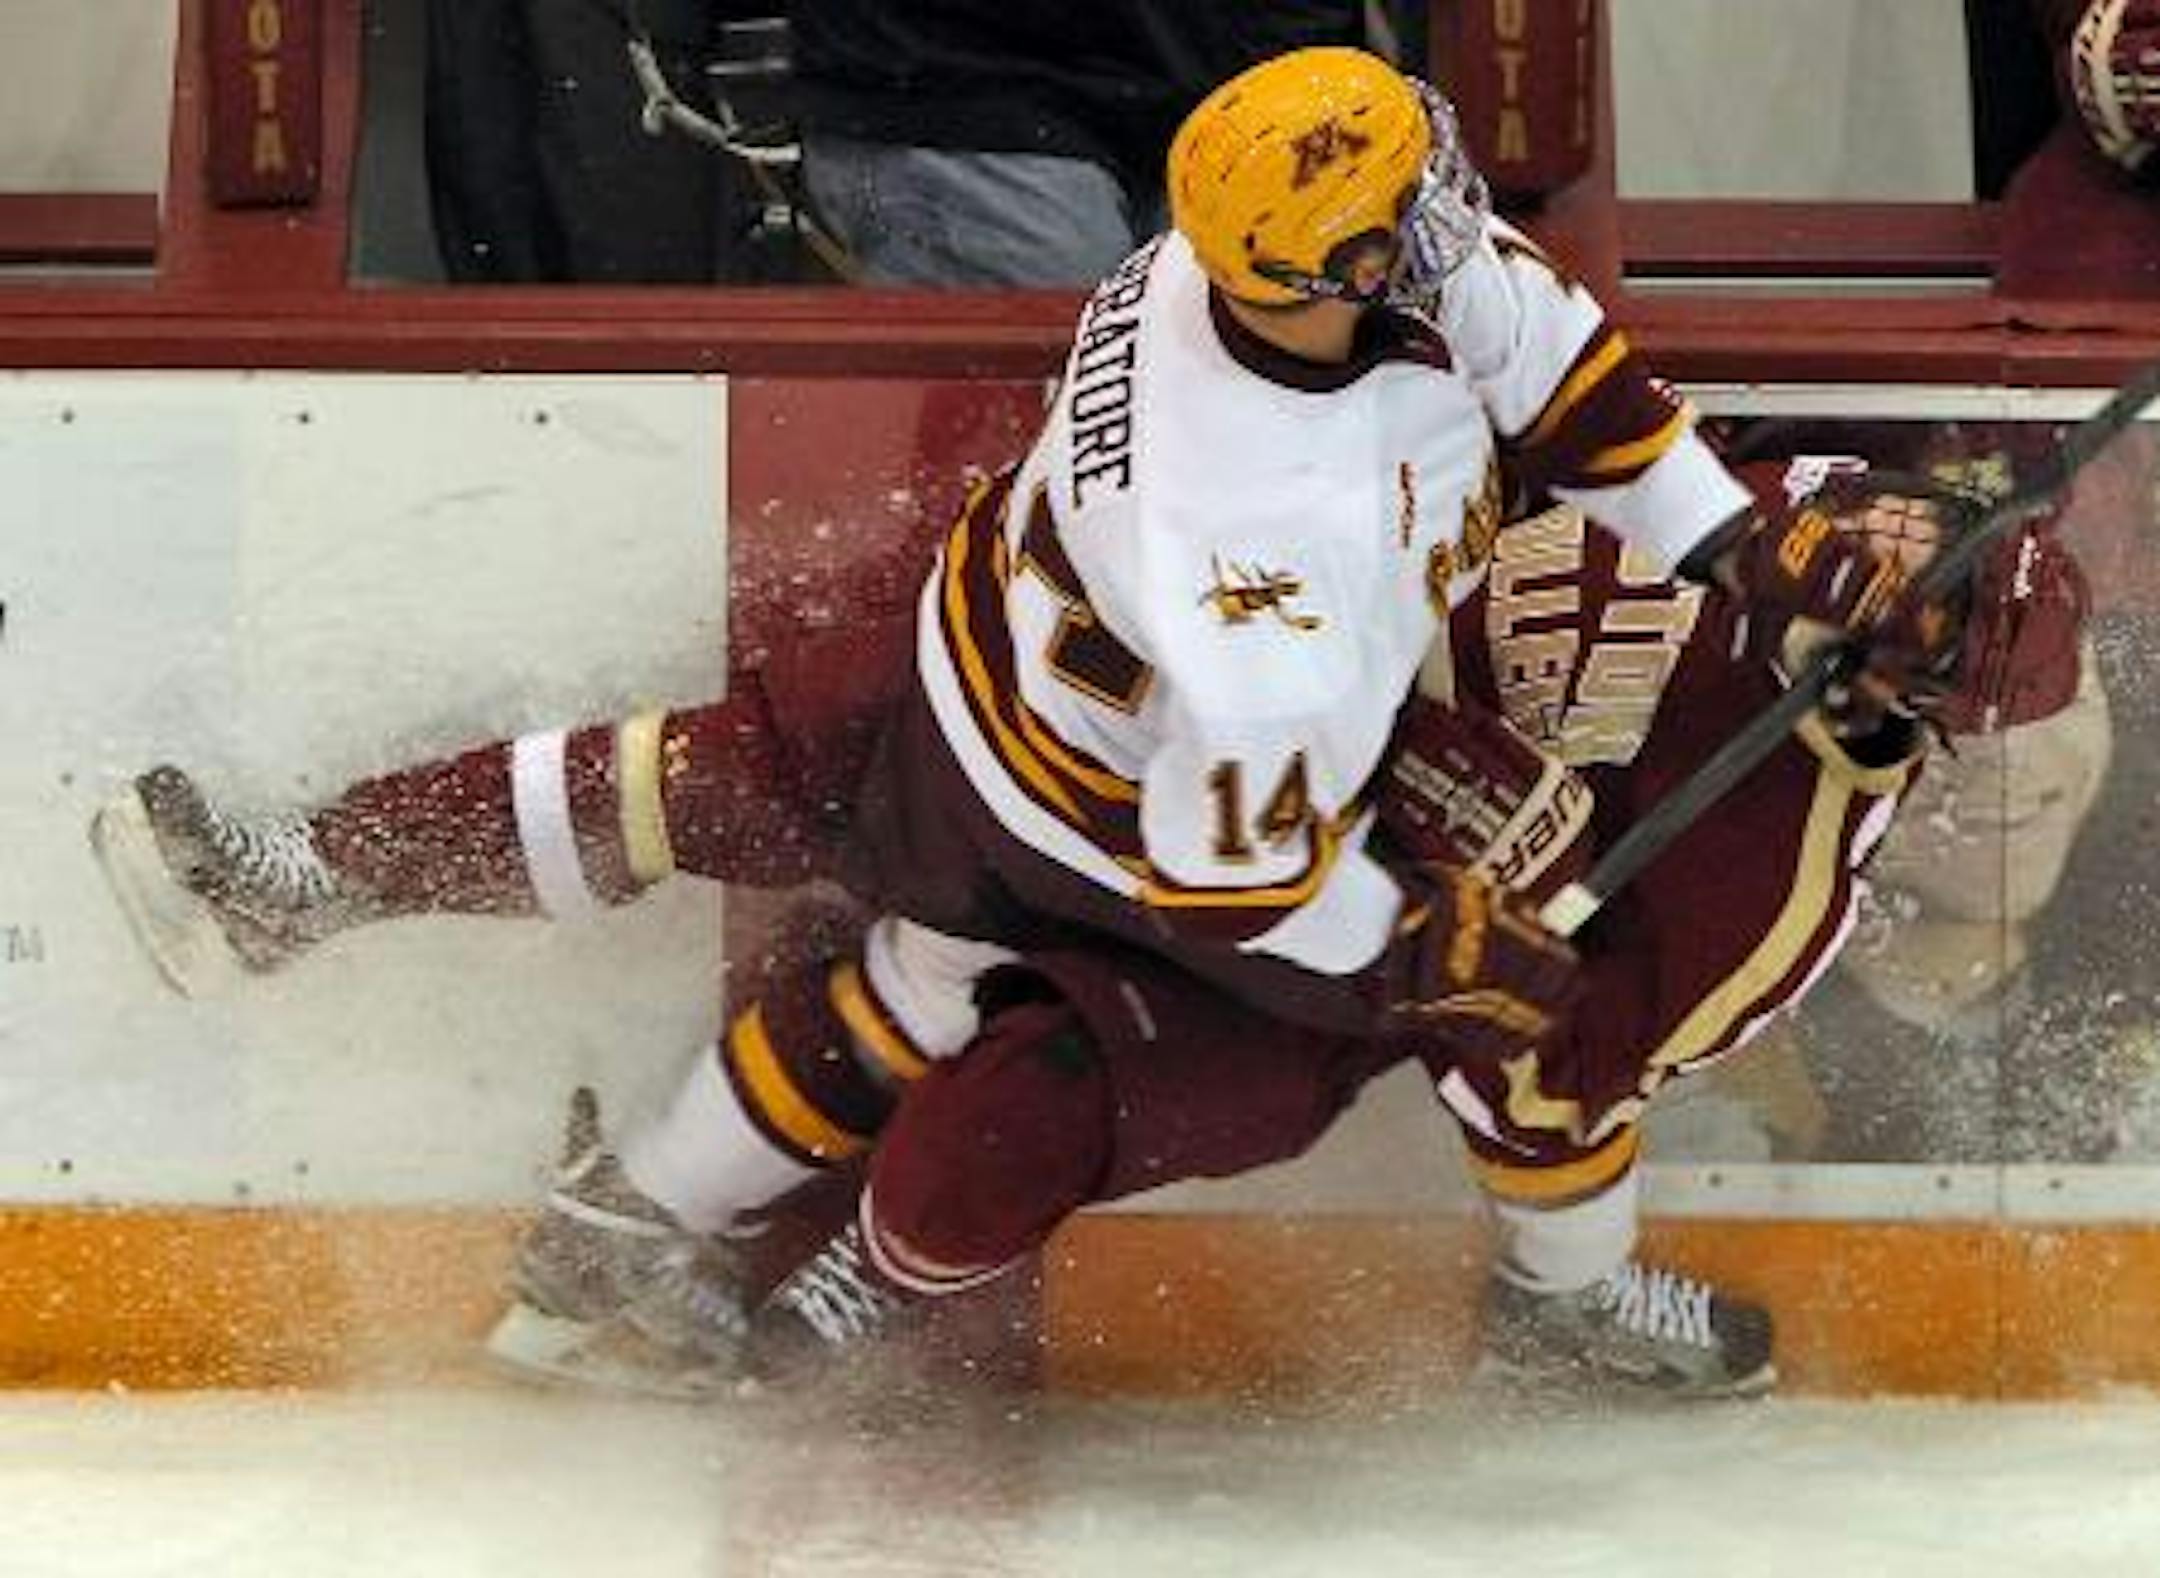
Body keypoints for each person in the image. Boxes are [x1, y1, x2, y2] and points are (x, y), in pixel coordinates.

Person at [93, 49, 1959, 1399]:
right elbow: (1225, 874)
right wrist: (1429, 946)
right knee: (1532, 995)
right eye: (1414, 205)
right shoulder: (1266, 567)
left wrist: (1752, 548)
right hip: (1097, 803)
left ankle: (449, 1028)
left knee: (807, 890)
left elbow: (1556, 366)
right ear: (1334, 275)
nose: (1451, 212)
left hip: (982, 663)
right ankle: (1565, 1287)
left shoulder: (1244, 275)